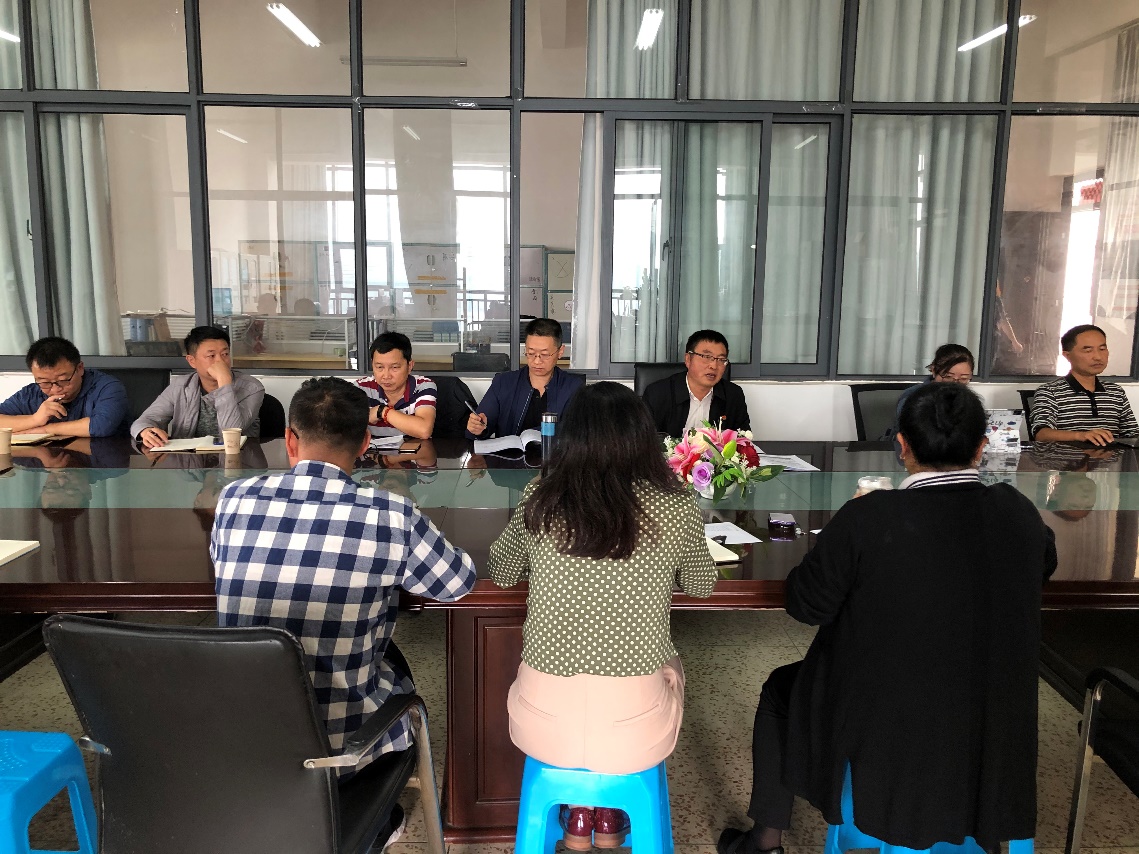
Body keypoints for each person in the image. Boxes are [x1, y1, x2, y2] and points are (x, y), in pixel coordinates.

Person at [717, 382, 1057, 854]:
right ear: (982, 447)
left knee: (781, 687)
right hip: (992, 709)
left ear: (901, 445)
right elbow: (1040, 568)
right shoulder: (1018, 512)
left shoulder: (870, 516)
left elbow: (807, 605)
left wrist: (843, 532)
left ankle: (765, 839)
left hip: (885, 712)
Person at [212, 377, 476, 849]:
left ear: (290, 439)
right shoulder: (391, 514)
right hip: (343, 745)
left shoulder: (234, 499)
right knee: (392, 666)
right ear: (366, 443)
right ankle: (369, 819)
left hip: (238, 735)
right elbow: (456, 584)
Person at [488, 382, 717, 851]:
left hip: (541, 724)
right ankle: (610, 818)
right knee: (670, 662)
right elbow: (701, 585)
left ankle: (577, 818)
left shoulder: (541, 495)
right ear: (643, 438)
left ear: (571, 437)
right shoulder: (676, 503)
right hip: (636, 730)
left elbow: (503, 571)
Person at [131, 326, 265, 449]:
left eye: (225, 354)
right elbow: (145, 420)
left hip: (236, 461)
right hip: (188, 462)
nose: (220, 361)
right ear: (192, 361)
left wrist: (224, 382)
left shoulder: (251, 388)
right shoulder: (180, 386)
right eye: (211, 356)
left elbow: (231, 434)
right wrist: (145, 430)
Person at [465, 317, 584, 440]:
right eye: (531, 353)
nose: (537, 361)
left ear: (560, 351)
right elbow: (479, 427)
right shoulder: (503, 383)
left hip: (555, 452)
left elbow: (579, 433)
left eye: (544, 354)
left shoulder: (574, 388)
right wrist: (478, 429)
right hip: (510, 452)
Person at [1030, 324, 1139, 446]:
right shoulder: (1050, 391)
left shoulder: (1116, 392)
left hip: (1111, 457)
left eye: (1102, 349)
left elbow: (1133, 435)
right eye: (1088, 350)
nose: (1098, 357)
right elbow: (1041, 434)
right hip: (1067, 458)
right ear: (1067, 356)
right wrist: (1081, 436)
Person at [0, 337, 129, 438]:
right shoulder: (31, 394)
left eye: (62, 381)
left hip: (100, 460)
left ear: (79, 369)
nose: (55, 389)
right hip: (46, 461)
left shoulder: (107, 387)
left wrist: (46, 429)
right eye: (45, 382)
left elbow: (101, 426)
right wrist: (35, 419)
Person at [641, 330, 750, 437]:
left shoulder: (733, 395)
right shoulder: (657, 394)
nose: (714, 366)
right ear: (688, 359)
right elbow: (643, 440)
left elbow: (743, 439)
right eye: (707, 357)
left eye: (721, 359)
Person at [357, 332, 437, 440]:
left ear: (410, 366)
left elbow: (424, 430)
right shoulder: (360, 388)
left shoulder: (423, 386)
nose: (386, 376)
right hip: (372, 450)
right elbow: (341, 427)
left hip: (414, 450)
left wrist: (382, 411)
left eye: (394, 367)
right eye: (379, 367)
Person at [886, 343, 974, 440]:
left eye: (963, 378)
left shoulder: (969, 400)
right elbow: (907, 437)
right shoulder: (914, 398)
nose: (955, 384)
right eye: (948, 377)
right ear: (934, 371)